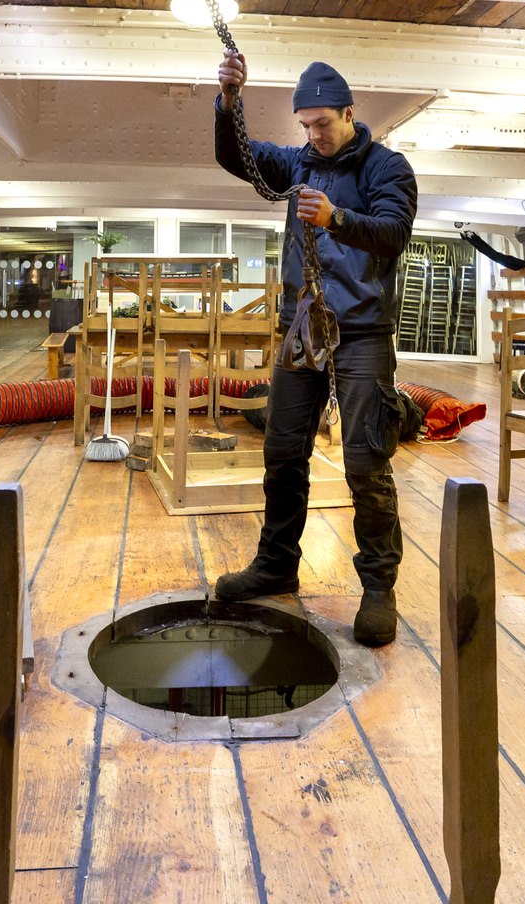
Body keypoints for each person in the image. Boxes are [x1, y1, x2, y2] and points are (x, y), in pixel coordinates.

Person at [211, 53, 418, 646]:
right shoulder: (298, 161)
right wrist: (230, 101)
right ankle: (276, 565)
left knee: (365, 460)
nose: (313, 135)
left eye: (322, 123)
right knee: (282, 449)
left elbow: (393, 233)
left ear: (350, 113)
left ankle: (378, 588)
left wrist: (336, 218)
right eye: (305, 125)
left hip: (361, 331)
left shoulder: (387, 167)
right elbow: (239, 156)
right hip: (302, 329)